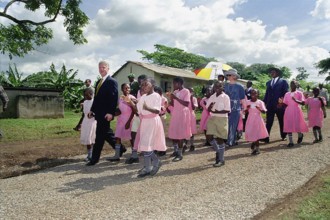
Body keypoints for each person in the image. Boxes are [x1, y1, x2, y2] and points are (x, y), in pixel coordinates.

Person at [123, 77, 166, 177]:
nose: (143, 86)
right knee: (144, 145)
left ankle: (155, 162)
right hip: (145, 122)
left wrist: (147, 108)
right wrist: (129, 101)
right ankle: (148, 167)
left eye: (146, 84)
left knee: (146, 145)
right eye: (142, 85)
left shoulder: (156, 96)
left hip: (152, 121)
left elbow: (157, 111)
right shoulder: (143, 97)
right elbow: (137, 111)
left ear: (153, 85)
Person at [86, 61, 126, 166]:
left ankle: (94, 159)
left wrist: (110, 112)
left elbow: (113, 97)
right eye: (100, 67)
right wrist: (92, 110)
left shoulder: (111, 81)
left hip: (105, 114)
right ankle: (121, 148)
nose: (101, 69)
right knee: (106, 133)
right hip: (99, 113)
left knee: (99, 136)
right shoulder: (99, 81)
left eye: (103, 67)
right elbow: (97, 99)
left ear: (108, 68)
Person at [107, 83, 136, 162]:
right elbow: (120, 110)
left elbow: (134, 110)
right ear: (122, 89)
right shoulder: (121, 98)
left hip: (129, 118)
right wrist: (113, 115)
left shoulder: (131, 98)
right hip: (121, 119)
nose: (127, 90)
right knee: (118, 136)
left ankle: (134, 154)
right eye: (125, 88)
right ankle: (116, 155)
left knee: (131, 138)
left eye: (128, 88)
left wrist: (128, 122)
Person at [206, 81, 231, 167]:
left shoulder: (225, 97)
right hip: (212, 118)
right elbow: (208, 108)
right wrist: (210, 107)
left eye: (219, 86)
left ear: (223, 87)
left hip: (222, 119)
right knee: (209, 137)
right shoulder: (212, 96)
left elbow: (228, 110)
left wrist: (218, 111)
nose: (217, 88)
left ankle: (221, 159)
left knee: (220, 139)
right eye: (215, 86)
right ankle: (218, 151)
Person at [166, 77, 192, 162]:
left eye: (174, 83)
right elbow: (174, 104)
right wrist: (170, 99)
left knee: (180, 134)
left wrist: (176, 98)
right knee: (174, 132)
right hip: (175, 113)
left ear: (179, 83)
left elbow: (186, 103)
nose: (173, 85)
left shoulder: (186, 91)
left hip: (182, 113)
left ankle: (180, 154)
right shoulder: (175, 92)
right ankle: (176, 150)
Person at [125, 74, 148, 164]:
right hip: (137, 116)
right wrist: (132, 102)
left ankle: (147, 155)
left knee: (145, 136)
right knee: (133, 134)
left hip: (145, 117)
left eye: (140, 83)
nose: (139, 85)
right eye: (138, 83)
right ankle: (134, 155)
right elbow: (137, 105)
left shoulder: (149, 93)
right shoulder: (139, 91)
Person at [279, 81, 308, 147]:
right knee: (289, 125)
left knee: (297, 124)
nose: (292, 85)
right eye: (291, 84)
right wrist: (281, 103)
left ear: (297, 85)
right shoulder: (287, 94)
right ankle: (291, 142)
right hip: (289, 110)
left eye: (293, 84)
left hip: (296, 110)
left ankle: (300, 135)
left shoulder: (299, 93)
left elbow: (303, 103)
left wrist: (296, 101)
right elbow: (285, 104)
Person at [263, 67, 289, 143]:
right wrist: (264, 103)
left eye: (273, 72)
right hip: (270, 105)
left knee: (281, 121)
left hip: (279, 105)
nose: (272, 73)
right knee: (269, 122)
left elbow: (286, 93)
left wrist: (282, 102)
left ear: (277, 73)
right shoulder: (268, 82)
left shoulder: (283, 82)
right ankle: (266, 137)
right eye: (271, 72)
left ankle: (283, 135)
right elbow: (267, 94)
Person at [223, 69, 246, 147]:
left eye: (230, 75)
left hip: (236, 107)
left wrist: (244, 109)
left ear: (234, 76)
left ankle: (230, 141)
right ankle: (232, 139)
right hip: (226, 106)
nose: (228, 76)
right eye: (227, 75)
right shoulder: (225, 85)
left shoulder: (240, 86)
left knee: (233, 124)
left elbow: (243, 98)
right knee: (227, 124)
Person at [244, 89, 269, 155]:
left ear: (258, 94)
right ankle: (253, 142)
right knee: (250, 131)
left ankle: (257, 149)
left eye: (255, 93)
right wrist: (247, 109)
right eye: (252, 93)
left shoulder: (260, 102)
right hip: (250, 118)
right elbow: (245, 111)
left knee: (256, 133)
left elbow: (264, 111)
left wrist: (259, 109)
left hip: (257, 119)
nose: (253, 95)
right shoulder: (248, 102)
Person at [80, 88, 97, 161]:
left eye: (86, 95)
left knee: (92, 137)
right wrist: (80, 123)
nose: (85, 97)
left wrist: (93, 114)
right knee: (87, 138)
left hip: (92, 122)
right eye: (84, 96)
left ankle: (95, 154)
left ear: (90, 94)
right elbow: (84, 114)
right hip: (85, 121)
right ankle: (89, 155)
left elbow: (98, 112)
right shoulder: (85, 102)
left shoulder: (95, 102)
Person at [154, 86, 168, 156]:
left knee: (161, 133)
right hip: (156, 117)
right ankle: (156, 148)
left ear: (160, 92)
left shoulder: (164, 99)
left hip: (162, 116)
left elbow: (164, 108)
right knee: (155, 133)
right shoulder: (155, 98)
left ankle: (163, 149)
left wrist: (158, 108)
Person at [187, 87, 198, 151]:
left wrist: (191, 99)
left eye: (192, 91)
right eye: (190, 91)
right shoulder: (185, 98)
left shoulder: (194, 99)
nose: (191, 93)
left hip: (191, 115)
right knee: (185, 129)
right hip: (185, 115)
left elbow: (194, 108)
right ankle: (184, 144)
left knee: (192, 129)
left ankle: (192, 144)